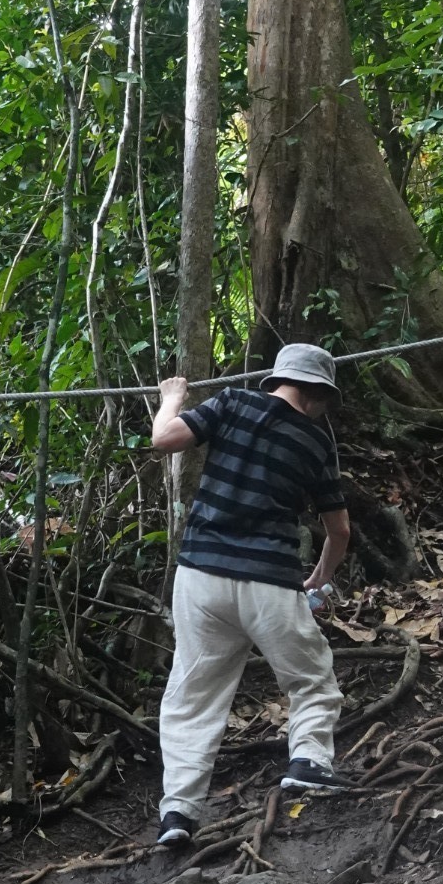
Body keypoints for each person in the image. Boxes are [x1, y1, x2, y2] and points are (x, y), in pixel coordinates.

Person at [151, 342, 351, 846]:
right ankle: (307, 761)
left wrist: (171, 397)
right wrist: (320, 578)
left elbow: (164, 439)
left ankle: (178, 813)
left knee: (192, 695)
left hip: (201, 578)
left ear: (279, 380)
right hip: (270, 582)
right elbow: (340, 530)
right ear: (319, 395)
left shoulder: (234, 403)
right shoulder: (316, 443)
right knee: (311, 679)